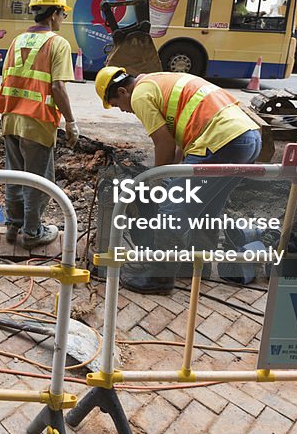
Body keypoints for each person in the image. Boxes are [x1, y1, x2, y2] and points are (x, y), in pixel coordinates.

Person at [95, 66, 262, 294]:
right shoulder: (158, 80)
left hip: (220, 140)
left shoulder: (141, 94)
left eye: (116, 105)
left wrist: (156, 183)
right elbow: (176, 146)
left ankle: (159, 278)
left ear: (123, 92)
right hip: (247, 139)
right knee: (206, 209)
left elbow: (162, 143)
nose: (123, 110)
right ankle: (194, 266)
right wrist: (169, 178)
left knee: (171, 211)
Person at [0, 0, 80, 249]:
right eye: (63, 14)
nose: (63, 19)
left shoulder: (16, 40)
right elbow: (57, 86)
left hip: (10, 118)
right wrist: (71, 121)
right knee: (38, 179)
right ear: (54, 13)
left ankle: (13, 225)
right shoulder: (57, 44)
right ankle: (32, 232)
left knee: (15, 174)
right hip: (37, 121)